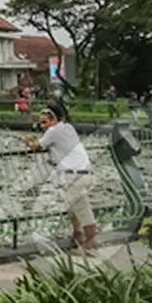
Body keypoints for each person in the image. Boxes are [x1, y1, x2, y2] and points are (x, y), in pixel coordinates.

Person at [25, 105, 98, 253]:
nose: (42, 125)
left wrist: (29, 141)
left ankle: (91, 245)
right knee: (74, 207)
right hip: (85, 172)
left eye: (44, 122)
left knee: (83, 210)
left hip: (74, 175)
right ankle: (78, 236)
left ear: (53, 118)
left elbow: (38, 147)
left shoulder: (53, 131)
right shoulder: (68, 128)